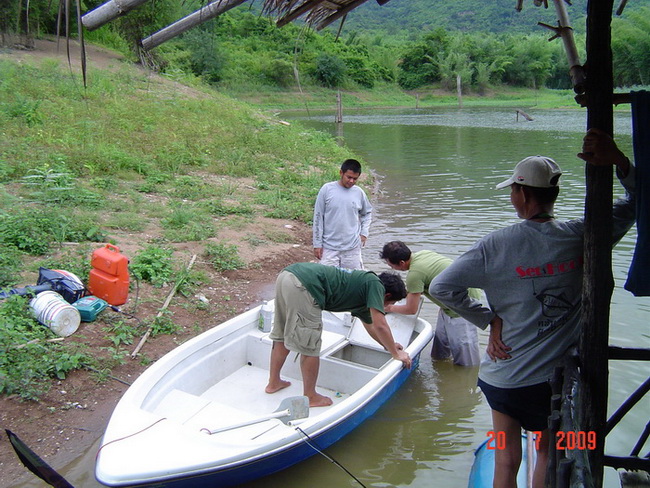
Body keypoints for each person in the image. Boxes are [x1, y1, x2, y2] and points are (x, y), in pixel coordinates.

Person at [428, 128, 636, 488]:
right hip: (549, 384)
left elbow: (442, 286)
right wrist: (619, 161)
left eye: (512, 189)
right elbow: (638, 202)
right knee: (546, 453)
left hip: (501, 378)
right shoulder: (583, 234)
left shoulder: (496, 245)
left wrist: (488, 319)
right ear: (553, 195)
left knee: (506, 460)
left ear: (521, 194)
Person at [265, 262, 412, 407]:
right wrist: (396, 354)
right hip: (305, 285)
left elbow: (372, 326)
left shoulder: (364, 291)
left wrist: (389, 345)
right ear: (386, 295)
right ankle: (310, 396)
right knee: (310, 345)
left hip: (287, 275)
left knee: (282, 334)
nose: (386, 307)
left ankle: (274, 382)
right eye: (389, 303)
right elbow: (380, 324)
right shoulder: (375, 285)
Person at [380, 241, 481, 367]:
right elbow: (420, 287)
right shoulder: (423, 254)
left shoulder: (414, 275)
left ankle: (467, 381)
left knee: (466, 359)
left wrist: (389, 307)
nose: (391, 268)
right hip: (449, 305)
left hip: (463, 307)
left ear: (401, 263)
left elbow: (411, 309)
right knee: (440, 352)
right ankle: (443, 371)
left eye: (391, 265)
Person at [313, 159, 372, 269]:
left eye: (355, 179)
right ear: (341, 173)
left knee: (354, 281)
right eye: (348, 177)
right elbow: (318, 217)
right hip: (329, 247)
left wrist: (364, 233)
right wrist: (317, 244)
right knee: (328, 281)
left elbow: (367, 213)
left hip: (352, 248)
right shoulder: (327, 190)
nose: (351, 181)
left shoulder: (359, 192)